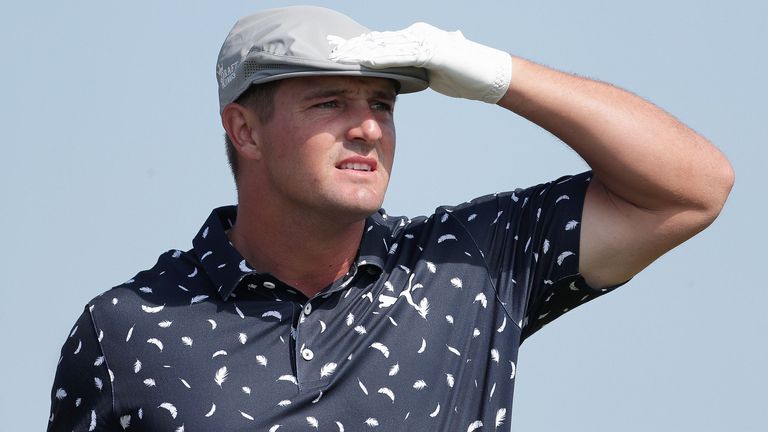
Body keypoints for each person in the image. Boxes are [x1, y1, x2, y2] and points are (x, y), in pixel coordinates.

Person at [47, 5, 733, 431]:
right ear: (245, 131)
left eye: (383, 103)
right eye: (329, 104)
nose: (369, 129)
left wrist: (493, 72)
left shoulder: (466, 264)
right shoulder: (127, 327)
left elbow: (692, 188)